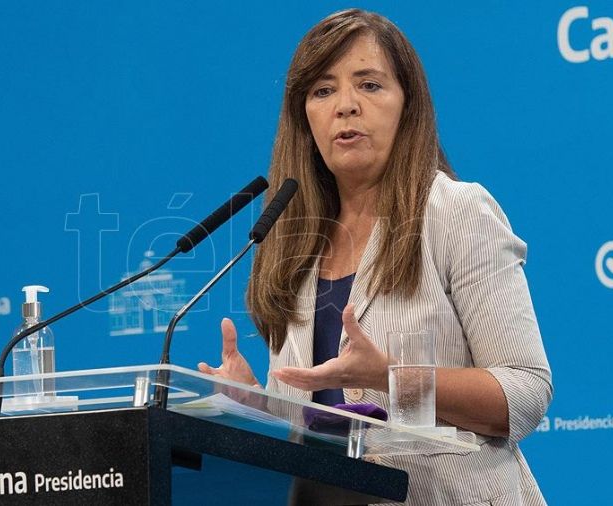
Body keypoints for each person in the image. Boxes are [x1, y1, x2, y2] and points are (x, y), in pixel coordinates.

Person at [198, 9, 552, 505]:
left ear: (407, 104)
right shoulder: (291, 242)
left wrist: (392, 379)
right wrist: (256, 406)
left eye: (369, 85)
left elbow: (525, 392)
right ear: (304, 118)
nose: (346, 106)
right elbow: (322, 424)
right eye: (323, 91)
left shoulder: (454, 211)